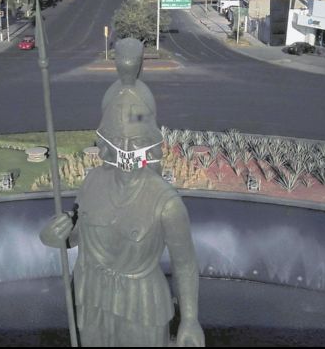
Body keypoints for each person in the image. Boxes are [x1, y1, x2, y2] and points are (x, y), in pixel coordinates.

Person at [40, 39, 204, 347]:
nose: (126, 151)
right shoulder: (92, 183)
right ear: (105, 144)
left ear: (149, 145)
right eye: (118, 143)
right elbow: (77, 235)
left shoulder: (165, 202)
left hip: (141, 305)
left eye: (135, 143)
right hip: (92, 297)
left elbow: (185, 262)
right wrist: (56, 235)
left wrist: (191, 320)